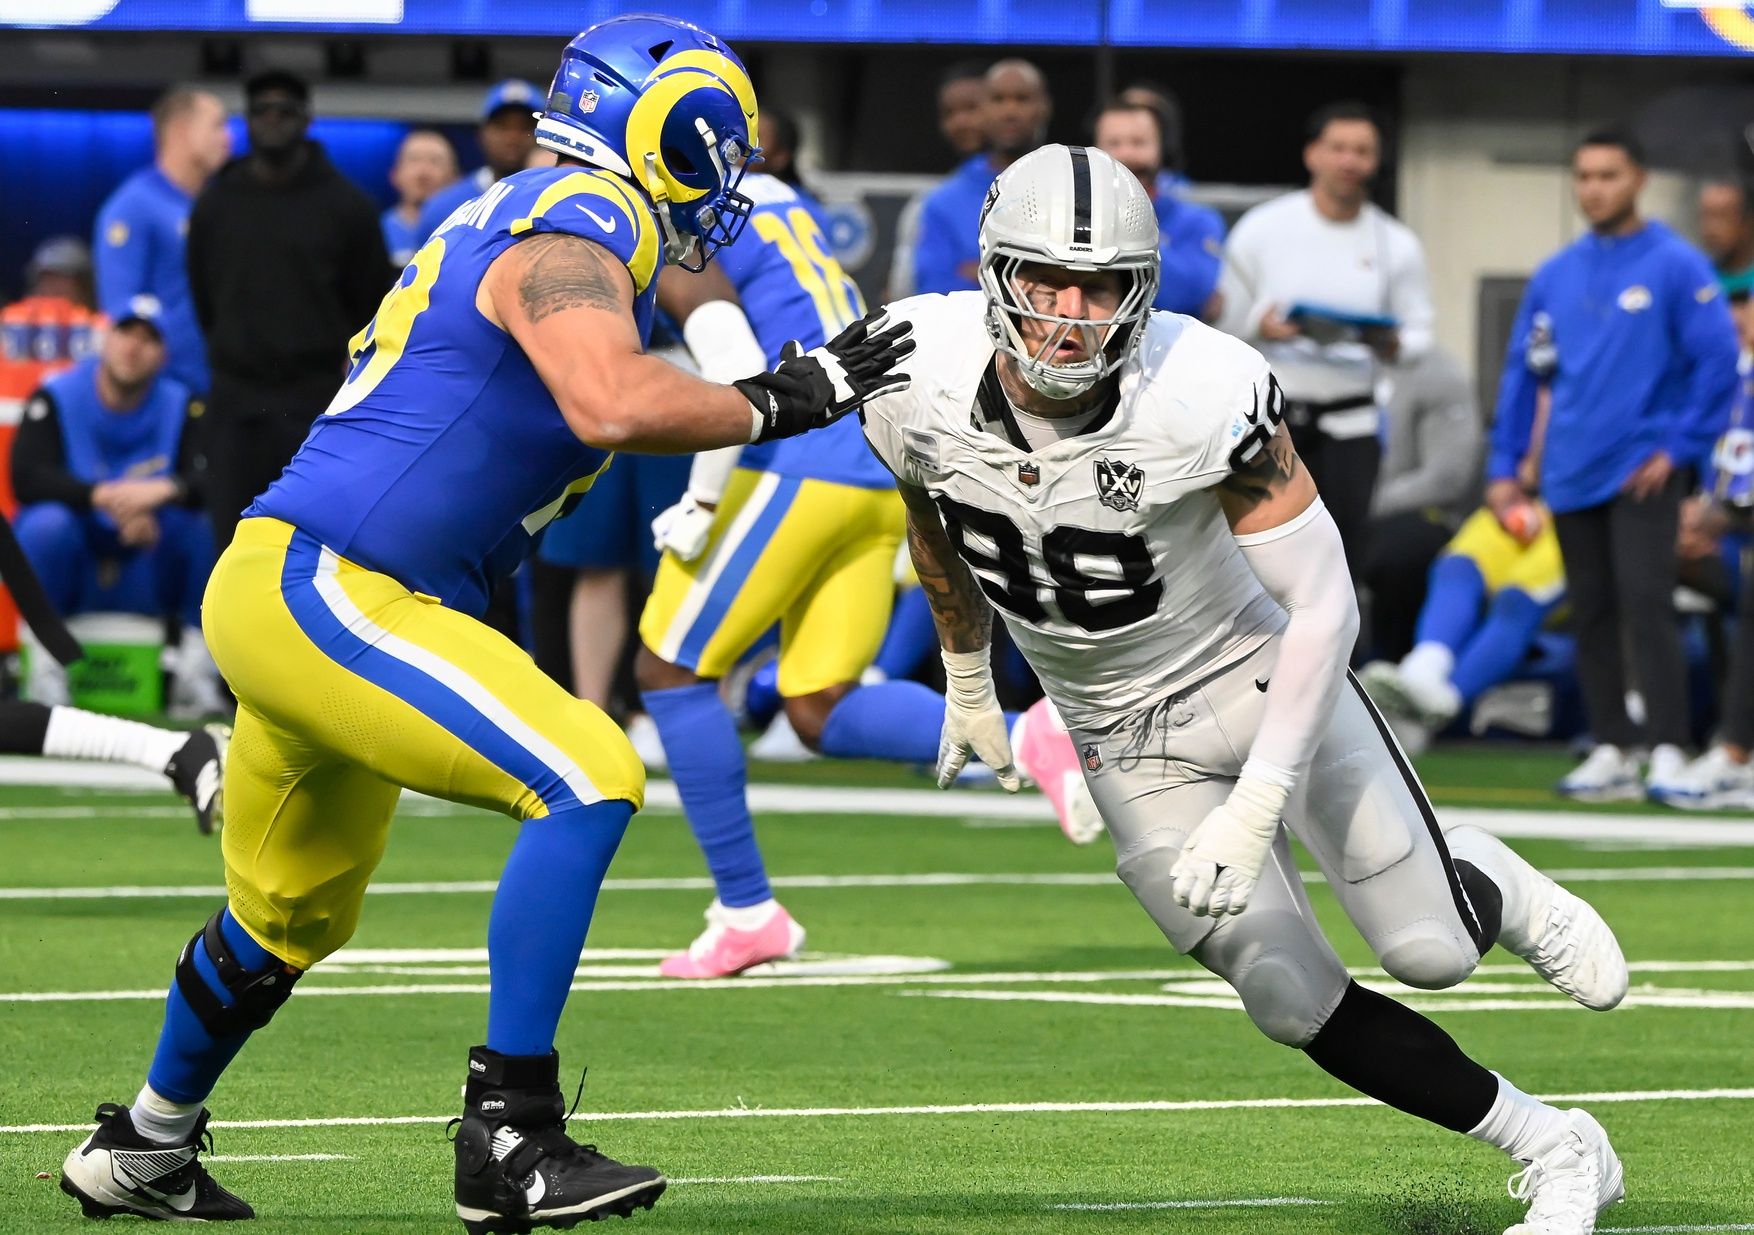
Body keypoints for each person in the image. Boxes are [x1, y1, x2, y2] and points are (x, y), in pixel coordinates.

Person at [56, 16, 913, 1230]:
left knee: (286, 917)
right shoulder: (581, 215)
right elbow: (606, 398)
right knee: (590, 769)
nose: (722, 171)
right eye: (709, 138)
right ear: (656, 127)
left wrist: (763, 386)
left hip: (296, 582)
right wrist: (781, 399)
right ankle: (510, 1131)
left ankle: (143, 1144)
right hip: (338, 582)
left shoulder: (535, 209)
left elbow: (634, 357)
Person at [863, 143, 1630, 1235]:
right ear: (993, 271)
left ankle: (1485, 883)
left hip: (1258, 673)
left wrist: (1256, 804)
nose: (1071, 314)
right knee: (1282, 995)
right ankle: (1556, 1143)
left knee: (1430, 953)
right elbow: (932, 515)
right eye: (1045, 280)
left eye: (1102, 286)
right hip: (1120, 734)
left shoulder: (1199, 387)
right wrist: (968, 674)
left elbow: (1324, 602)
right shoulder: (916, 369)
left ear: (1143, 292)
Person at [634, 124, 1095, 980]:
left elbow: (735, 360)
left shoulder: (678, 220)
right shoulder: (782, 205)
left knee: (670, 669)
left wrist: (699, 499)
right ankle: (1032, 734)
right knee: (817, 702)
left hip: (795, 452)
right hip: (878, 456)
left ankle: (745, 906)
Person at [1492, 129, 1739, 802]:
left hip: (1642, 473)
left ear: (1638, 181)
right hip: (1571, 468)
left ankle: (1666, 745)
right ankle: (1613, 746)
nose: (1593, 188)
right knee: (1592, 612)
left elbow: (1719, 363)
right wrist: (1505, 465)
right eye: (1584, 176)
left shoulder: (1676, 264)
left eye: (1607, 175)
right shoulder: (1556, 273)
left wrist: (1678, 448)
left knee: (1647, 604)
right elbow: (1525, 372)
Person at [1217, 101, 1434, 572]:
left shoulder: (1397, 243)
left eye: (1362, 150)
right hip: (1272, 420)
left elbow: (1421, 335)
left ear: (1377, 161)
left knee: (1343, 563)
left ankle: (1344, 648)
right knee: (1261, 561)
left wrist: (1391, 343)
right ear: (1313, 154)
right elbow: (1222, 321)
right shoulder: (1262, 227)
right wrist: (1260, 324)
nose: (1349, 161)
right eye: (1338, 148)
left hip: (1352, 426)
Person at [186, 69, 390, 554]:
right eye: (262, 110)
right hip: (235, 403)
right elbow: (204, 298)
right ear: (248, 120)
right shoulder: (216, 203)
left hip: (313, 404)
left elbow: (372, 308)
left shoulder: (348, 207)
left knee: (310, 551)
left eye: (285, 111)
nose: (273, 120)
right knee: (230, 551)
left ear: (306, 120)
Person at [11, 298, 225, 718]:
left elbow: (214, 478)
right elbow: (27, 478)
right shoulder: (56, 395)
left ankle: (195, 678)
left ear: (163, 355)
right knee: (43, 526)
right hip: (78, 557)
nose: (134, 348)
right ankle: (44, 673)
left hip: (148, 556)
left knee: (203, 527)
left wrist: (165, 492)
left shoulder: (183, 406)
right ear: (105, 338)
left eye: (149, 340)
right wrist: (102, 498)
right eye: (126, 333)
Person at [1652, 285, 1754, 808]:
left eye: (1747, 303)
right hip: (1718, 542)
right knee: (1640, 562)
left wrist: (1724, 517)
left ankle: (1736, 751)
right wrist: (1687, 518)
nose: (1739, 315)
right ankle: (1647, 731)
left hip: (1740, 540)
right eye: (1735, 304)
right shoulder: (1723, 381)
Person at [93, 86, 231, 395]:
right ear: (182, 131)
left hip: (215, 390)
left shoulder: (213, 208)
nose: (228, 138)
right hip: (164, 396)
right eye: (217, 126)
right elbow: (121, 312)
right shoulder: (134, 206)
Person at [1361, 346, 1485, 661]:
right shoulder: (1316, 364)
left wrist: (1355, 505)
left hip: (1415, 514)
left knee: (1400, 550)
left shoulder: (1437, 373)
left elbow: (1447, 479)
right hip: (1329, 511)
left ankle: (1389, 669)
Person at [911, 59, 1051, 295]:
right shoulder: (942, 202)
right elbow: (935, 289)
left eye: (1022, 99)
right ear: (983, 109)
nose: (1010, 111)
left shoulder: (1069, 186)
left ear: (1044, 107)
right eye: (998, 99)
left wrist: (981, 269)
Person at [1092, 98, 1223, 320]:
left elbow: (1189, 295)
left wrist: (1126, 222)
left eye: (1139, 142)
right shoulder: (1075, 216)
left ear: (1162, 148)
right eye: (1114, 143)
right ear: (1095, 151)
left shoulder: (1199, 220)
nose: (1126, 155)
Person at [885, 61, 988, 300]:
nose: (960, 122)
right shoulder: (931, 202)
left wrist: (980, 271)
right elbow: (916, 292)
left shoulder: (1039, 186)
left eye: (972, 108)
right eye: (949, 113)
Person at [413, 80, 542, 244]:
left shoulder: (557, 201)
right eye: (502, 126)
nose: (512, 137)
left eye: (524, 127)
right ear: (481, 133)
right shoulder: (444, 207)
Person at [381, 128, 459, 268]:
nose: (423, 173)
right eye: (414, 160)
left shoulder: (464, 233)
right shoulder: (377, 231)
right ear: (394, 175)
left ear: (455, 178)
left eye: (435, 162)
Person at [1698, 176, 1754, 298]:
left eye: (1721, 217)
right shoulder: (1692, 276)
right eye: (1706, 216)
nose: (1710, 229)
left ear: (1747, 223)